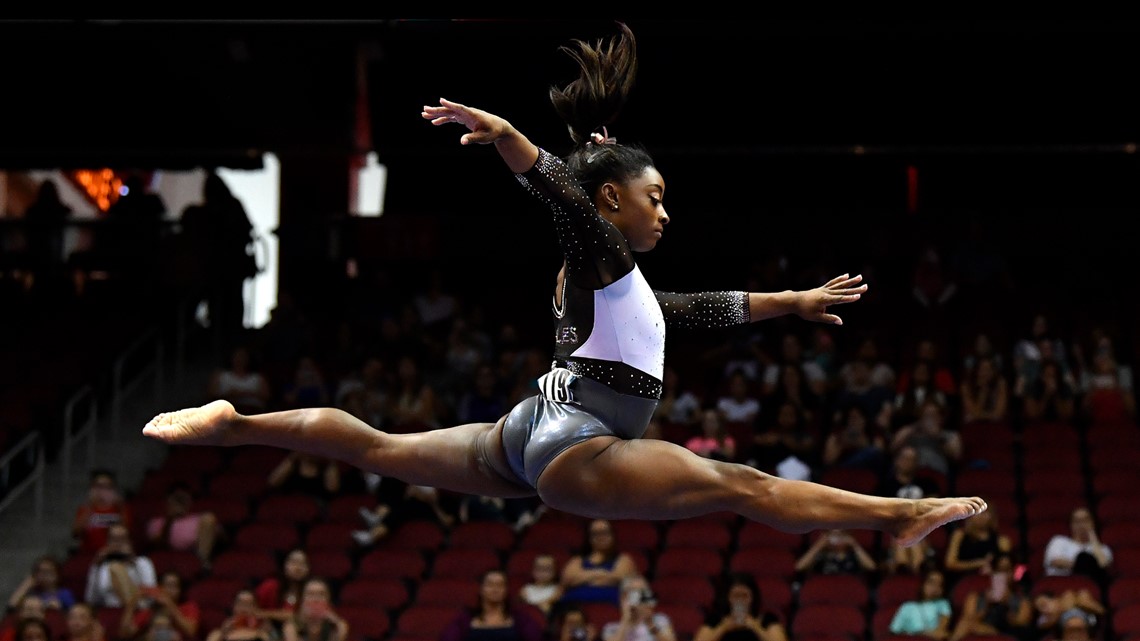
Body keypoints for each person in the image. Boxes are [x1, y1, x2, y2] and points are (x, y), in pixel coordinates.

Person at [142, 22, 986, 553]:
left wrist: (790, 303)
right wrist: (509, 134)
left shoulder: (616, 285)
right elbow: (558, 189)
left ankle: (237, 424)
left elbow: (688, 310)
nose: (665, 213)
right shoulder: (599, 248)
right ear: (613, 203)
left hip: (529, 430)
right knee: (744, 487)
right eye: (654, 198)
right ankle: (894, 515)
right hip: (577, 442)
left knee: (380, 446)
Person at [179, 171, 256, 358]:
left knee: (226, 309)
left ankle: (226, 346)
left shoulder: (224, 210)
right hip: (221, 272)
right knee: (227, 309)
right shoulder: (227, 209)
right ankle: (223, 345)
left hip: (222, 271)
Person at [440, 569, 544, 641]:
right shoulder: (464, 620)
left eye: (500, 585)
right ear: (481, 589)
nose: (495, 589)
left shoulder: (521, 619)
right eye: (490, 585)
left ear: (506, 590)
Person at [559, 519, 639, 607]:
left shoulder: (624, 559)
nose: (601, 537)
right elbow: (568, 581)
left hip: (612, 610)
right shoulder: (577, 560)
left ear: (613, 535)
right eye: (596, 533)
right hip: (573, 609)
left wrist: (584, 578)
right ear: (589, 538)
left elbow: (622, 579)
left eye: (605, 532)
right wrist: (601, 573)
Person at [693, 572, 787, 641]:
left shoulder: (767, 619)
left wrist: (755, 627)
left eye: (745, 596)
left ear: (753, 597)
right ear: (728, 597)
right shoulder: (715, 620)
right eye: (736, 595)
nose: (740, 600)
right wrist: (723, 628)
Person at [600, 576, 674, 641]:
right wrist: (626, 619)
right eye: (635, 592)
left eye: (644, 592)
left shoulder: (660, 620)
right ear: (624, 597)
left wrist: (651, 625)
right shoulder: (611, 628)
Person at [888, 568, 953, 639]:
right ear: (923, 584)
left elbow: (940, 632)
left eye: (939, 584)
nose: (935, 587)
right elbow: (894, 632)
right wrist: (919, 633)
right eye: (931, 582)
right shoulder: (907, 606)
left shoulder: (943, 604)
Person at [280, 579, 348, 641]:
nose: (316, 599)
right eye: (310, 594)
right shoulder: (291, 625)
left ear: (328, 599)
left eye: (321, 594)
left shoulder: (336, 626)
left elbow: (342, 631)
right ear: (302, 599)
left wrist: (336, 621)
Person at [5, 555, 76, 612]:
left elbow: (73, 612)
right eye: (40, 571)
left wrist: (60, 609)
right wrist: (26, 584)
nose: (43, 575)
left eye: (48, 571)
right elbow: (11, 607)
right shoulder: (32, 594)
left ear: (57, 574)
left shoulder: (64, 593)